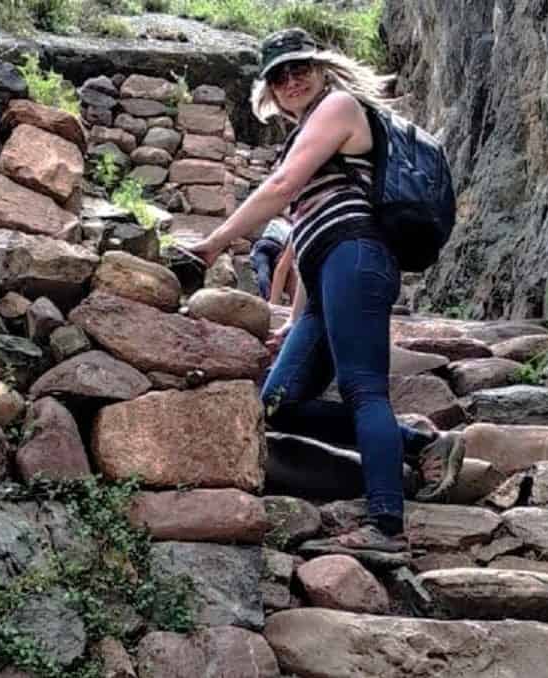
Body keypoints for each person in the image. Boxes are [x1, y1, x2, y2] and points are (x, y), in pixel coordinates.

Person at [190, 27, 463, 552]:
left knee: (364, 389)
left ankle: (386, 526)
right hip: (327, 272)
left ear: (321, 69)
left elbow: (284, 189)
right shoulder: (303, 133)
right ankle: (420, 443)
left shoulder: (338, 106)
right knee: (278, 404)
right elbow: (305, 239)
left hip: (357, 256)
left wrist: (215, 242)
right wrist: (295, 315)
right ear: (268, 88)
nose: (292, 79)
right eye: (280, 74)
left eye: (301, 68)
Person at [250, 216, 292, 301]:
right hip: (277, 247)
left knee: (263, 270)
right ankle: (270, 296)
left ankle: (266, 296)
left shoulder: (274, 223)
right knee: (273, 270)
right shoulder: (289, 227)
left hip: (264, 243)